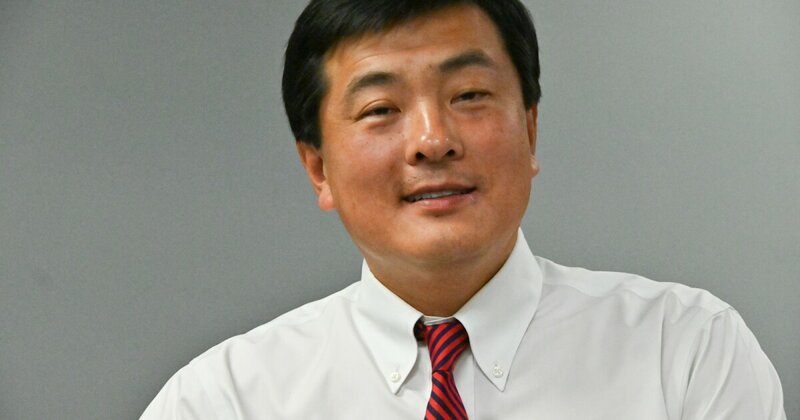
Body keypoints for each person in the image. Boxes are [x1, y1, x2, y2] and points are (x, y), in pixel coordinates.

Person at [141, 0, 786, 418]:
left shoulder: (686, 352)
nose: (432, 140)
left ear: (530, 129)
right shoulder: (224, 401)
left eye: (470, 94)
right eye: (380, 109)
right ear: (318, 168)